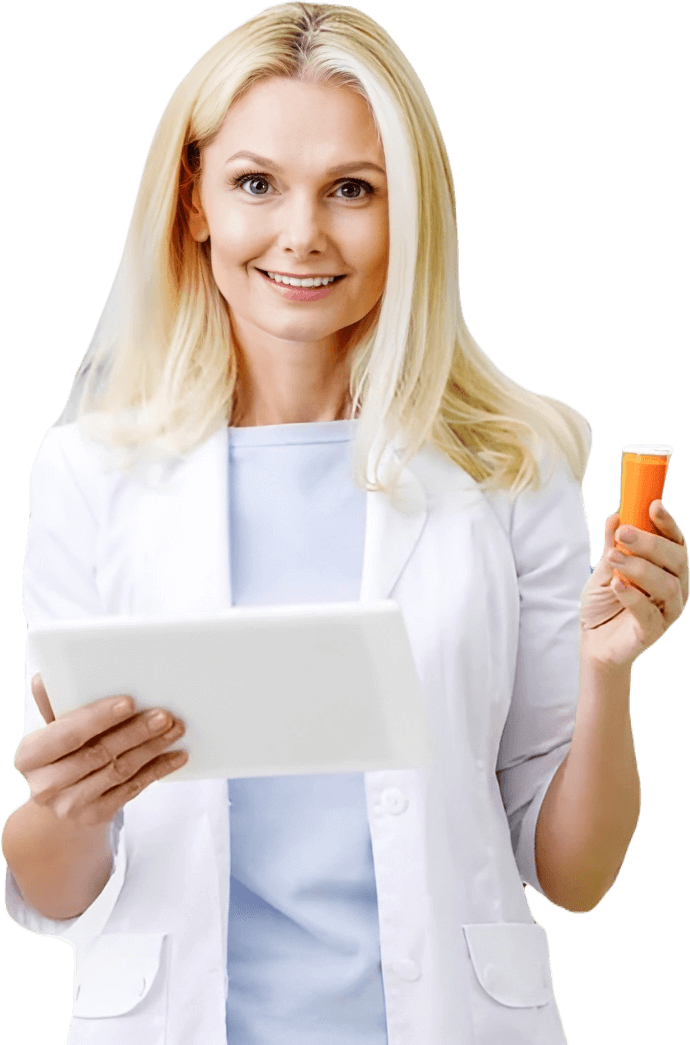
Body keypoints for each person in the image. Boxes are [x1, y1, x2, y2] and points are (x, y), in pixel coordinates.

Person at [3, 4, 688, 1044]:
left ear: (410, 210)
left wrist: (609, 671)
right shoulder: (94, 470)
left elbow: (577, 877)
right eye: (255, 183)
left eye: (352, 190)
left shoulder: (514, 461)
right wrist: (69, 807)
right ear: (194, 200)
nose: (302, 233)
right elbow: (56, 890)